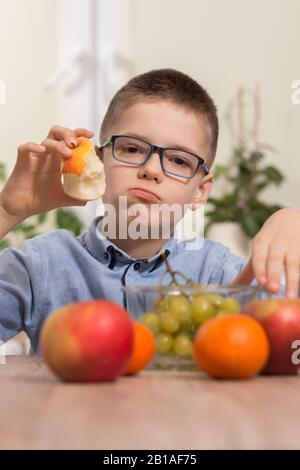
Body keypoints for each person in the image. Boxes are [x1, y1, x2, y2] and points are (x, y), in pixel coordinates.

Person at [0, 68, 299, 353]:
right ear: (98, 161)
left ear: (200, 191)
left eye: (180, 161)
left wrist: (291, 221)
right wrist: (6, 212)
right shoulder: (39, 265)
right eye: (132, 149)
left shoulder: (219, 273)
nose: (151, 169)